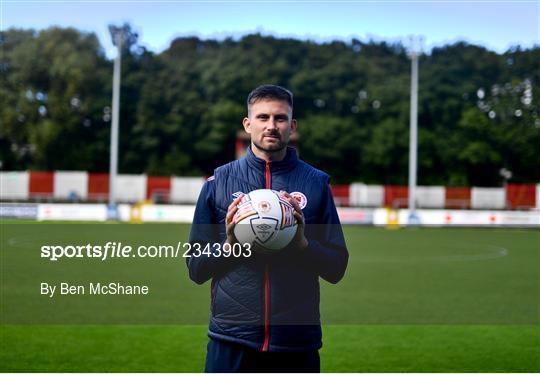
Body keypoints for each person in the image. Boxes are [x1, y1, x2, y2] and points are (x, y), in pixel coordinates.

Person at [187, 84, 348, 373]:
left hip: (297, 343)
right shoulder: (217, 183)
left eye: (280, 118)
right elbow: (195, 268)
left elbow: (337, 267)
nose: (271, 126)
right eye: (262, 117)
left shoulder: (317, 184)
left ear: (292, 126)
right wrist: (230, 247)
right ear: (248, 124)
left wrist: (302, 247)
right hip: (231, 341)